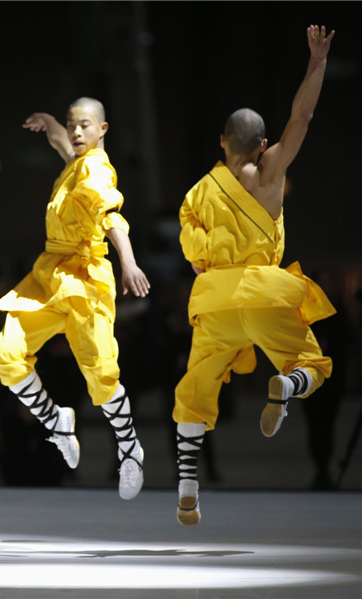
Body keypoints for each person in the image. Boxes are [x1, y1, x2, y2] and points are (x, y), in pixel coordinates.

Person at [173, 25, 336, 526]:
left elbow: (194, 255)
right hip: (265, 293)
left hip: (218, 302)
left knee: (195, 388)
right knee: (312, 363)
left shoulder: (200, 193)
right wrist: (316, 62)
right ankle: (286, 386)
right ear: (263, 144)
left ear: (222, 141)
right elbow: (302, 117)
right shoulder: (271, 174)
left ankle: (187, 487)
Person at [0, 99, 151, 500]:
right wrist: (48, 122)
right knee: (5, 356)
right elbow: (62, 142)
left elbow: (112, 217)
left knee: (101, 373)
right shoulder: (76, 160)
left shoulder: (97, 169)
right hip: (50, 274)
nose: (76, 132)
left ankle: (131, 451)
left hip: (86, 277)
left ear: (103, 129)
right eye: (71, 124)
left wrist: (129, 262)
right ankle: (56, 421)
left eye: (84, 125)